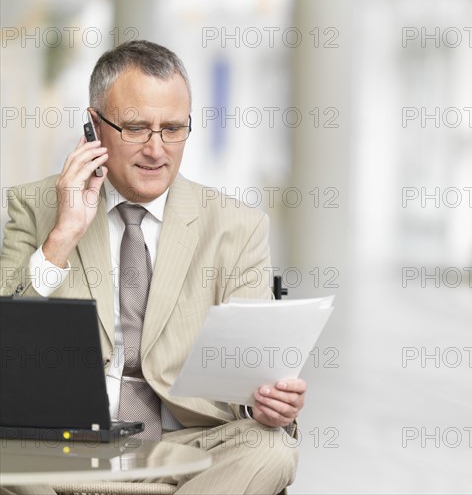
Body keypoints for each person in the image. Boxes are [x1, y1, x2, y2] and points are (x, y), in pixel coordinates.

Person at [0, 40, 306, 494]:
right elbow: (7, 341)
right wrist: (62, 235)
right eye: (137, 128)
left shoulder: (236, 227)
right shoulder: (37, 206)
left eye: (173, 128)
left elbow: (251, 380)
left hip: (186, 449)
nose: (156, 150)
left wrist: (264, 405)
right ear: (93, 125)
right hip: (64, 450)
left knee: (270, 449)